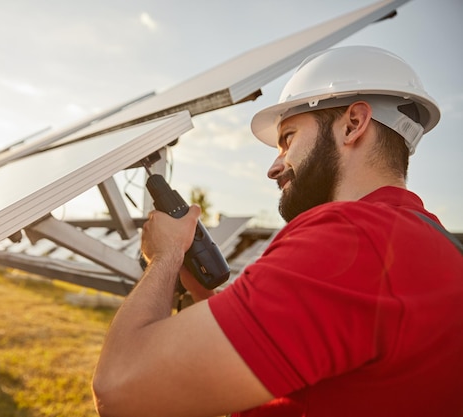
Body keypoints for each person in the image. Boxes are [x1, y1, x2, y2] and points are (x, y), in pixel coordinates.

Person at [92, 46, 463, 417]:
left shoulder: (348, 238)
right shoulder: (437, 245)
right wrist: (205, 293)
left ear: (353, 124)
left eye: (288, 138)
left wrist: (165, 255)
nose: (274, 167)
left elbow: (118, 390)